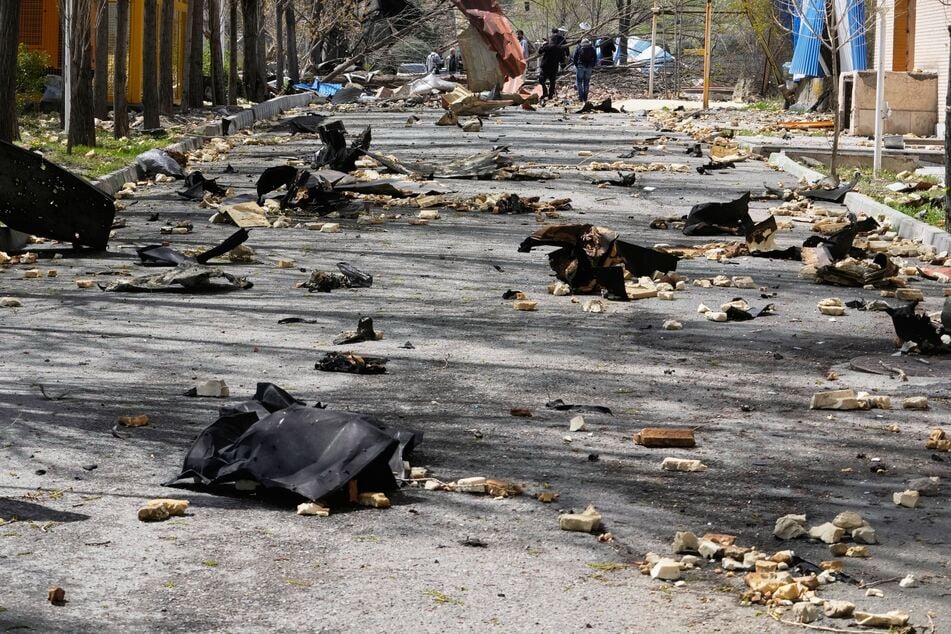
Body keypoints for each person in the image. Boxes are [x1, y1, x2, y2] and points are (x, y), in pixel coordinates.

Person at [538, 28, 567, 100]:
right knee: (552, 81)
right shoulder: (559, 48)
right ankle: (550, 95)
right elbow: (562, 59)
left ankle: (545, 92)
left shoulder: (547, 46)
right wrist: (563, 66)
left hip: (545, 66)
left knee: (542, 80)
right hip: (554, 67)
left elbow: (540, 51)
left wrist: (543, 45)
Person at [572, 38, 597, 102]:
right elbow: (595, 57)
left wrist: (576, 65)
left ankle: (581, 96)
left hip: (580, 66)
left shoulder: (579, 47)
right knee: (586, 83)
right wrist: (593, 65)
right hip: (589, 67)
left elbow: (574, 57)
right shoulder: (592, 48)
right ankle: (585, 97)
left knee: (579, 82)